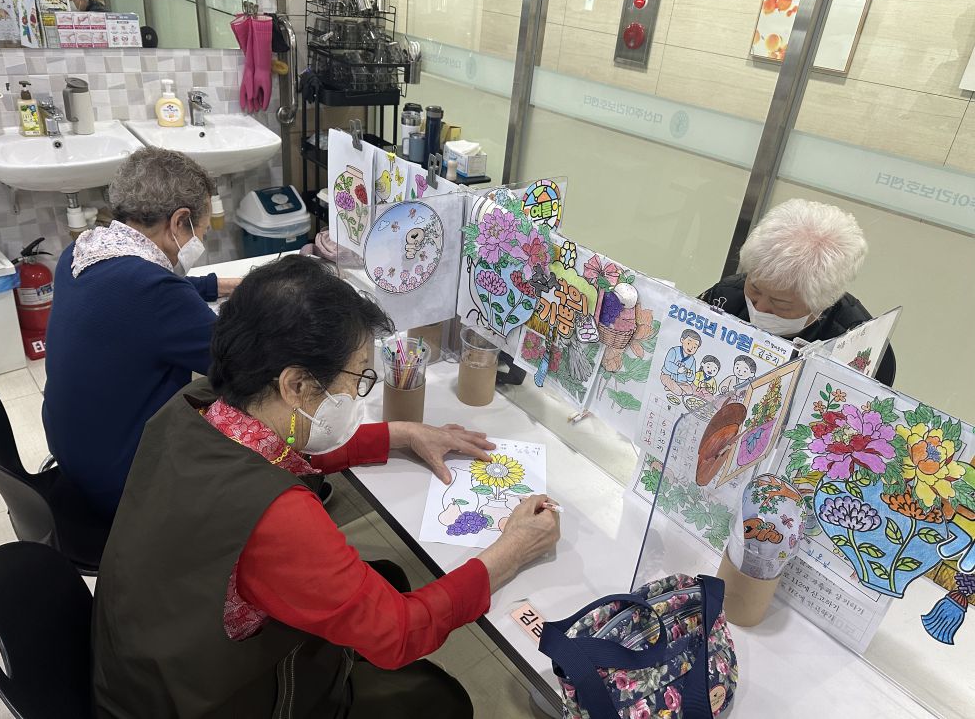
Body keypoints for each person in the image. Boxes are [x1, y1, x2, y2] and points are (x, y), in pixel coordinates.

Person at [92, 256, 561, 717]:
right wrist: (513, 550)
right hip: (211, 699)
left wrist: (402, 433)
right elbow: (398, 633)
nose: (356, 395)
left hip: (145, 668)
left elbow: (285, 447)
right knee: (443, 700)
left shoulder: (196, 406)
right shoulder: (277, 515)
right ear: (295, 385)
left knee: (387, 578)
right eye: (357, 377)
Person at [43, 147, 241, 519]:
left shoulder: (81, 252)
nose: (198, 242)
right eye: (200, 232)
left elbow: (140, 295)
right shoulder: (154, 292)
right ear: (179, 221)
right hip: (123, 481)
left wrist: (223, 284)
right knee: (254, 405)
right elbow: (240, 361)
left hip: (76, 454)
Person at [700, 198, 896, 386]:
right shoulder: (725, 296)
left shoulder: (861, 347)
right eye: (754, 289)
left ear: (824, 302)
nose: (759, 308)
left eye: (780, 303)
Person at [660, 328, 701, 396]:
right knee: (678, 391)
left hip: (681, 382)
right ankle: (674, 388)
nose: (691, 348)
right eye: (688, 343)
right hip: (667, 376)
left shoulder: (692, 360)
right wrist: (677, 370)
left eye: (694, 347)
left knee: (690, 391)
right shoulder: (674, 350)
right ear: (682, 340)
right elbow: (667, 364)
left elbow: (692, 377)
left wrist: (689, 375)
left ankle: (671, 387)